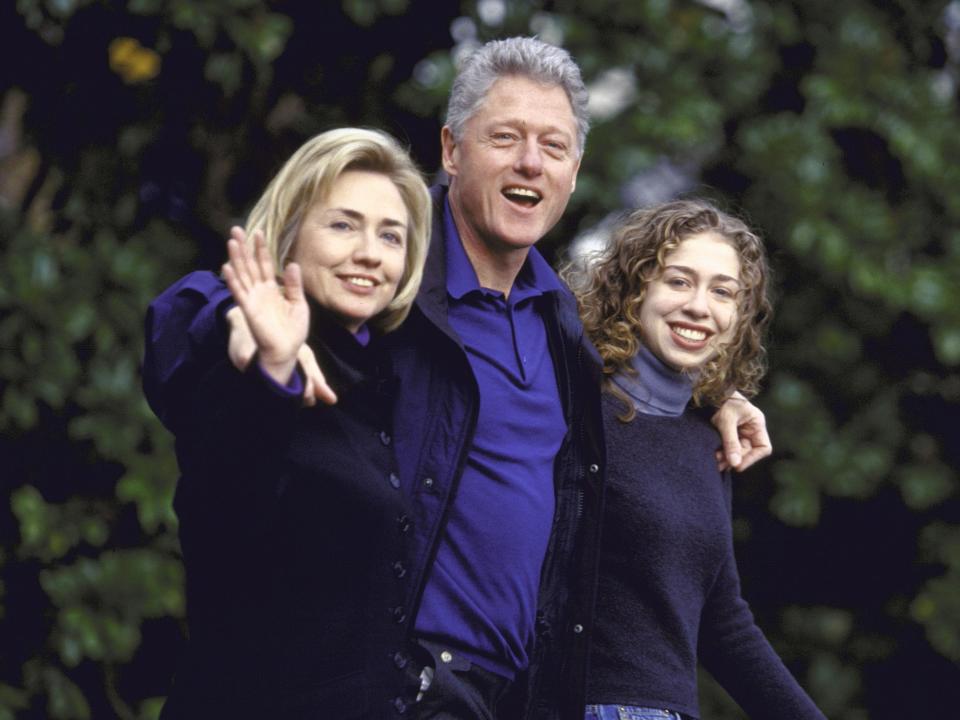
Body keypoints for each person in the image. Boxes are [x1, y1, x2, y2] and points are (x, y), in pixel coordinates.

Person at [144, 37, 773, 720]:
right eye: (505, 137)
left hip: (499, 698)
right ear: (451, 149)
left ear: (575, 169)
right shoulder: (393, 271)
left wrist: (710, 397)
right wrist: (230, 328)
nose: (530, 161)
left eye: (554, 146)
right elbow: (226, 308)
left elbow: (640, 370)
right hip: (375, 677)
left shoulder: (557, 322)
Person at [142, 127, 432, 718]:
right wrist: (271, 368)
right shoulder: (244, 360)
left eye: (391, 236)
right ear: (291, 232)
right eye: (343, 224)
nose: (370, 253)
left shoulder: (386, 382)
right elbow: (219, 516)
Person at [568, 199, 825, 720]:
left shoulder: (704, 433)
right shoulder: (570, 408)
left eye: (723, 291)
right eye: (678, 282)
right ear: (632, 289)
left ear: (739, 315)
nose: (699, 307)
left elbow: (722, 619)